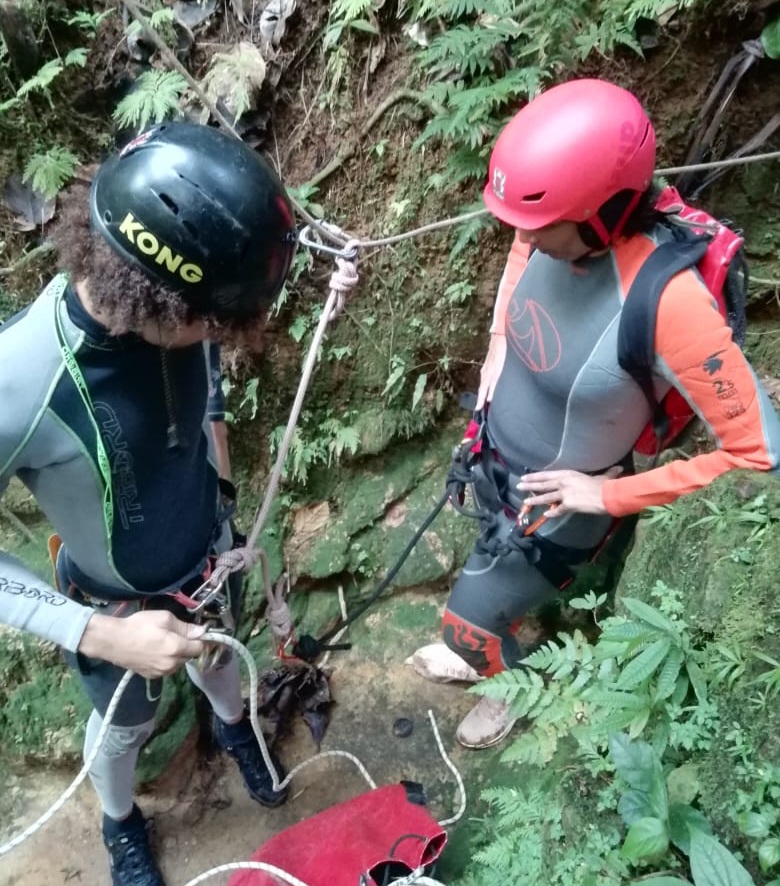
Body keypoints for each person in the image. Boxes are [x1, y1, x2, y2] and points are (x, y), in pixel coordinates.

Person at [414, 78, 780, 750]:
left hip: (562, 505)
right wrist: (498, 350)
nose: (519, 237)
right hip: (496, 452)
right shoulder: (551, 231)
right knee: (483, 573)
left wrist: (607, 495)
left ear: (602, 211)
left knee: (461, 633)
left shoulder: (670, 303)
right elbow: (519, 265)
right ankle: (503, 621)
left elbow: (759, 452)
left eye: (536, 226)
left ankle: (514, 692)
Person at [0, 122, 298, 886]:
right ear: (158, 295)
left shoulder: (176, 307)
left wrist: (222, 487)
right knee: (125, 725)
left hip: (208, 551)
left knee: (223, 665)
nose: (222, 337)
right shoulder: (21, 378)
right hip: (114, 606)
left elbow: (207, 388)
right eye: (212, 322)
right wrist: (99, 635)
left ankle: (237, 733)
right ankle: (120, 820)